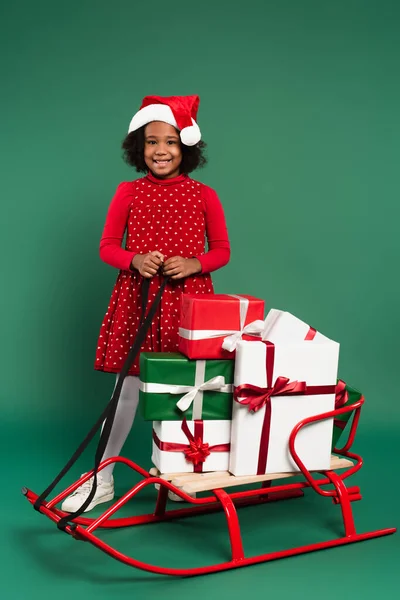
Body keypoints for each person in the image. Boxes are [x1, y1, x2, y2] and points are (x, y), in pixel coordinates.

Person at [61, 95, 231, 512]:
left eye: (171, 142)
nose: (161, 150)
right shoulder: (128, 192)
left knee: (184, 390)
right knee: (128, 392)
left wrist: (194, 263)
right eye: (152, 142)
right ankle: (103, 477)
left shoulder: (204, 195)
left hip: (188, 304)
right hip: (138, 301)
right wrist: (133, 259)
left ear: (186, 148)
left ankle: (179, 472)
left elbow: (222, 250)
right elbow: (106, 247)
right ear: (139, 148)